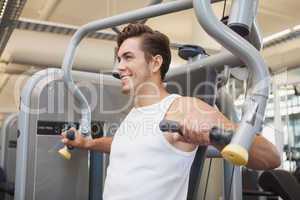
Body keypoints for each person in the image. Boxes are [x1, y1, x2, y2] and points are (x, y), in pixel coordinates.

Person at [61, 23, 281, 200]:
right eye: (119, 59)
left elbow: (271, 157)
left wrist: (216, 134)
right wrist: (88, 144)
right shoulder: (136, 112)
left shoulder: (182, 108)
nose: (119, 67)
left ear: (155, 63)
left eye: (128, 57)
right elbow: (127, 146)